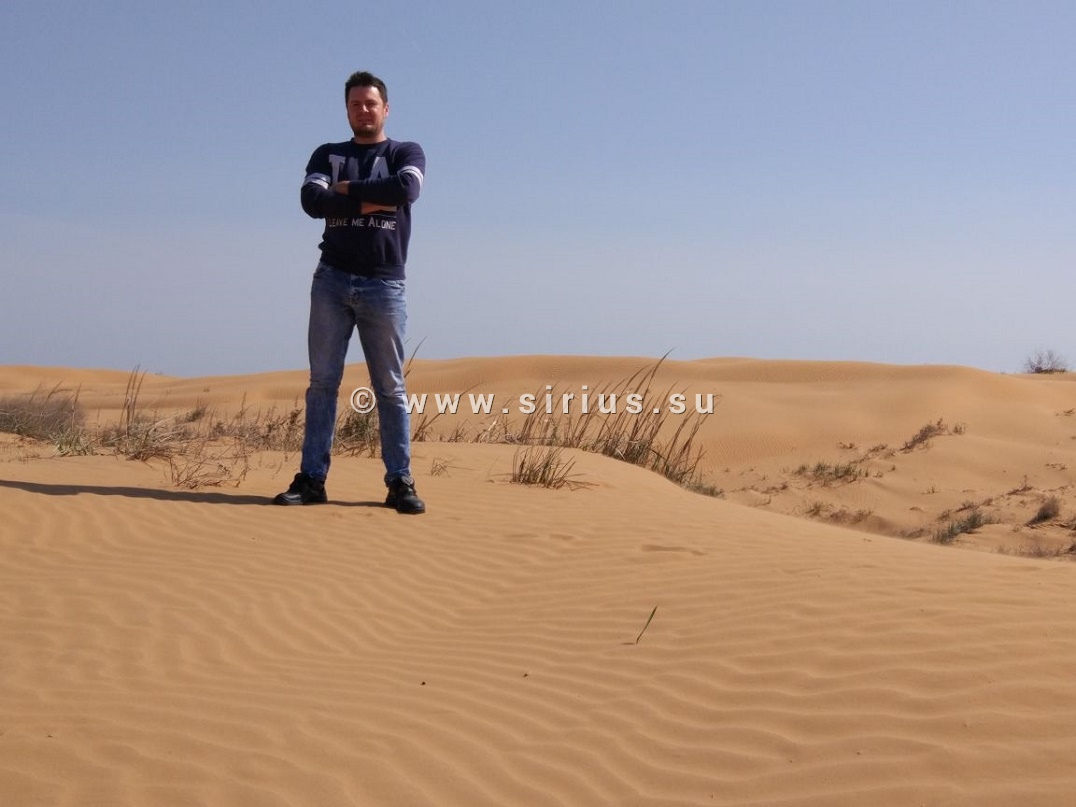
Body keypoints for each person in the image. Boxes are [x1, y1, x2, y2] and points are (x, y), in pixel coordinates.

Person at [274, 70, 426, 514]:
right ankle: (312, 480)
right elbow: (311, 202)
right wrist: (375, 198)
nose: (363, 110)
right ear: (346, 110)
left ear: (386, 108)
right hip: (332, 279)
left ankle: (400, 482)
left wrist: (345, 190)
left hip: (384, 283)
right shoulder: (327, 153)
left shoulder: (405, 152)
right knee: (322, 383)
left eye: (370, 103)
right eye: (355, 104)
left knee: (390, 387)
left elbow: (406, 189)